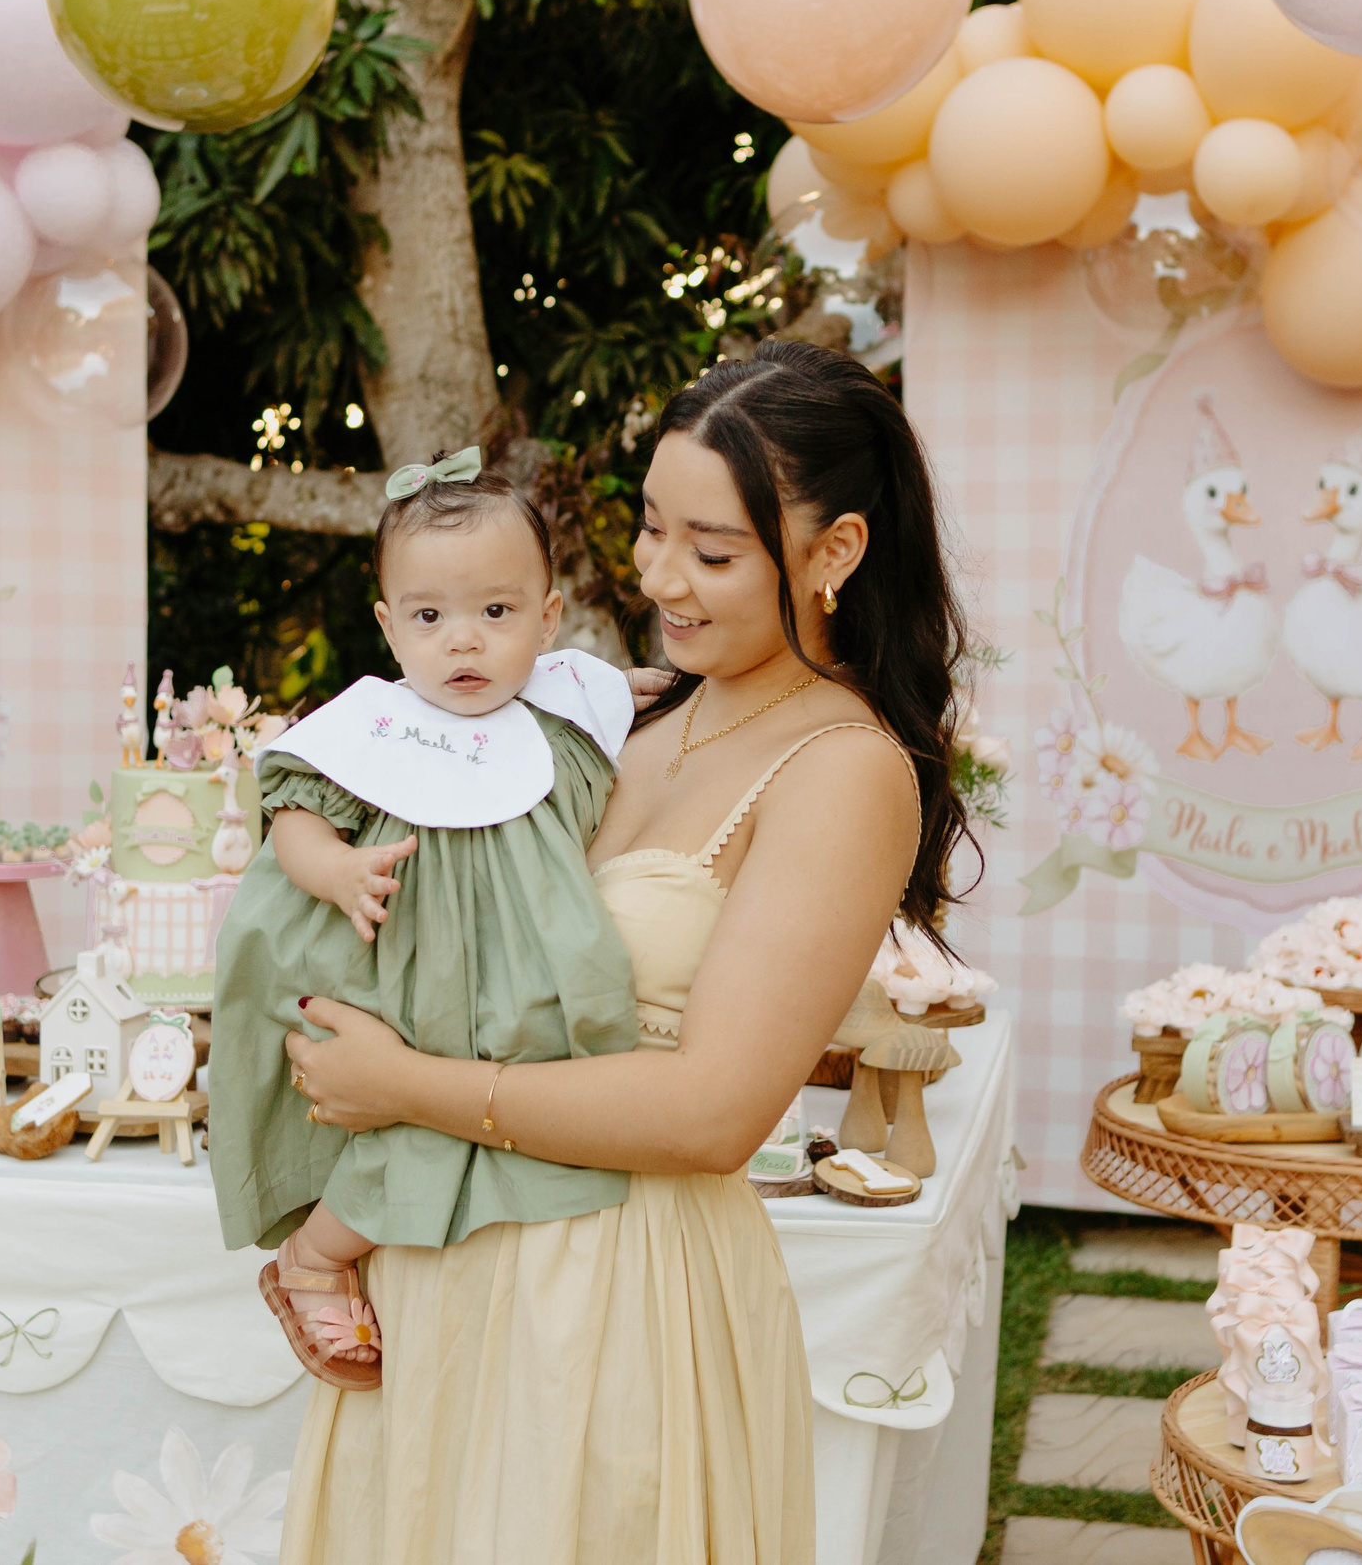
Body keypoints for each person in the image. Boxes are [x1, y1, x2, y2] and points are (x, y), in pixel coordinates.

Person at [277, 340, 973, 1564]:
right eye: (651, 527)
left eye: (713, 550)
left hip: (618, 1291)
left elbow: (714, 1111)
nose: (659, 575)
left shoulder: (842, 770)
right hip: (443, 1256)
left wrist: (406, 1085)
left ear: (835, 551)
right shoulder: (623, 713)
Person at [210, 449, 643, 1390]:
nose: (463, 643)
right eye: (430, 617)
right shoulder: (371, 728)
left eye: (497, 613)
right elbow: (292, 821)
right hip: (407, 970)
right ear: (388, 626)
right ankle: (315, 1256)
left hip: (518, 980)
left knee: (532, 1095)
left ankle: (502, 1261)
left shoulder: (559, 713)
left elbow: (619, 709)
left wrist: (620, 693)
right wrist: (338, 871)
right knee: (408, 1113)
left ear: (548, 619)